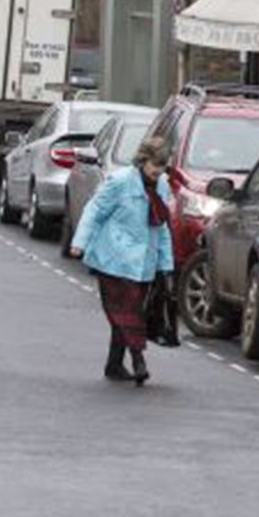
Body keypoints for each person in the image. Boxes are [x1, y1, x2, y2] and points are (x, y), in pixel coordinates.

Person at [68, 134, 175, 385]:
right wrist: (79, 243)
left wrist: (166, 266)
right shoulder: (120, 181)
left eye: (162, 167)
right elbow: (94, 210)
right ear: (142, 160)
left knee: (128, 312)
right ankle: (138, 359)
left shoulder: (161, 185)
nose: (158, 172)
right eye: (155, 166)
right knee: (127, 312)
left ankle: (114, 365)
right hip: (113, 258)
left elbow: (162, 229)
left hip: (143, 264)